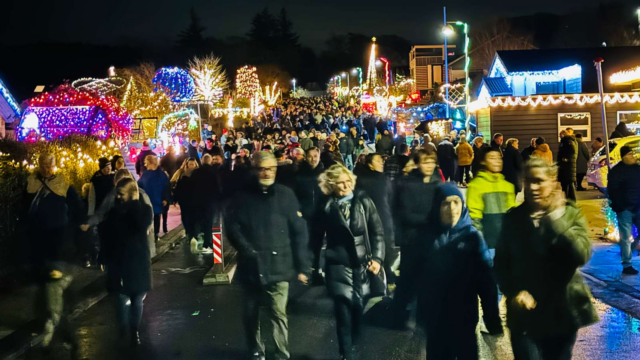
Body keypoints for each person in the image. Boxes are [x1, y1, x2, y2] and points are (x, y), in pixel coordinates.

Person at [495, 157, 599, 360]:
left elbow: (580, 255)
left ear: (552, 182)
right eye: (529, 180)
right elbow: (501, 263)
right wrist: (514, 291)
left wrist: (555, 220)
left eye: (539, 181)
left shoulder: (568, 214)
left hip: (561, 312)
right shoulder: (512, 219)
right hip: (525, 316)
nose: (533, 186)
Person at [225, 151, 310, 360]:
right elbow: (233, 227)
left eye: (271, 168)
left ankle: (282, 353)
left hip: (279, 264)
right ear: (255, 170)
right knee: (251, 313)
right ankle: (256, 349)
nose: (266, 173)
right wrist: (247, 250)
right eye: (262, 168)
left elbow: (299, 231)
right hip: (251, 266)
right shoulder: (241, 197)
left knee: (278, 313)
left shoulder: (285, 195)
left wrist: (303, 265)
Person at [421, 183, 502, 360]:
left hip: (464, 321)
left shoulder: (472, 237)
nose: (452, 209)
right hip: (435, 323)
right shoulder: (426, 236)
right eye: (445, 203)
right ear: (437, 206)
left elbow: (486, 282)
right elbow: (412, 275)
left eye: (456, 202)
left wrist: (491, 317)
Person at [317, 164, 384, 360]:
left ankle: (352, 345)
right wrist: (313, 266)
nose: (346, 186)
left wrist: (378, 259)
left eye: (348, 181)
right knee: (343, 313)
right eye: (340, 183)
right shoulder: (325, 206)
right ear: (331, 185)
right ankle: (346, 354)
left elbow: (377, 232)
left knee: (357, 311)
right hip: (338, 265)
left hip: (362, 266)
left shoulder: (363, 201)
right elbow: (315, 236)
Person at [21, 153, 84, 352]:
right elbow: (24, 210)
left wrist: (76, 232)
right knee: (45, 291)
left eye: (50, 165)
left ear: (55, 166)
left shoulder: (63, 184)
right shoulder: (31, 183)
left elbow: (76, 210)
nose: (47, 169)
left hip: (58, 245)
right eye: (43, 165)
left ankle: (61, 335)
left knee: (53, 291)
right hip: (37, 243)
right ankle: (51, 328)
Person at [99, 178, 153, 346]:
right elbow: (106, 235)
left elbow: (141, 224)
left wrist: (134, 203)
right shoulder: (115, 212)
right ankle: (124, 328)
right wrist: (103, 256)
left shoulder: (143, 210)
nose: (119, 198)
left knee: (137, 297)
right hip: (120, 259)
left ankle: (134, 330)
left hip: (137, 259)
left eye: (121, 194)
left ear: (131, 194)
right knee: (121, 296)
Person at [392, 150, 442, 326]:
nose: (429, 166)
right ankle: (399, 313)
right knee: (407, 277)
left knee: (430, 278)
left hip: (432, 239)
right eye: (425, 162)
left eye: (432, 162)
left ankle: (424, 314)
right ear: (418, 164)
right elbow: (405, 213)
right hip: (411, 239)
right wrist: (431, 219)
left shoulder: (437, 184)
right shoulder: (407, 183)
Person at [355, 154, 397, 285]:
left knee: (380, 245)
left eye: (381, 160)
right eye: (377, 161)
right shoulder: (367, 180)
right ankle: (384, 272)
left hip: (381, 216)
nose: (381, 163)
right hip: (379, 217)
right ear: (370, 165)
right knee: (382, 245)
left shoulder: (382, 179)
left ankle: (382, 272)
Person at [294, 147, 327, 285]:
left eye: (315, 156)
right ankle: (305, 271)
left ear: (319, 156)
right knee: (305, 243)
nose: (313, 159)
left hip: (320, 214)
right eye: (310, 156)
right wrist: (298, 209)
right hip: (305, 215)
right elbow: (295, 194)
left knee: (318, 244)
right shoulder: (300, 174)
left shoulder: (325, 174)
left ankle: (317, 271)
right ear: (306, 157)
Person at [608, 145, 640, 275]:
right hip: (625, 208)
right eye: (629, 154)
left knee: (628, 237)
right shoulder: (617, 171)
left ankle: (629, 252)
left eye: (632, 153)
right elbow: (613, 191)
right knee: (626, 236)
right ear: (623, 156)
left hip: (636, 206)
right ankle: (627, 263)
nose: (632, 156)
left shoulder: (637, 169)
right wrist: (620, 206)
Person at [190, 154, 222, 254]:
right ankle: (207, 244)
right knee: (208, 223)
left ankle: (194, 238)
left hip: (197, 201)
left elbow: (191, 187)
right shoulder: (213, 172)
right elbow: (217, 187)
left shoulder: (195, 172)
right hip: (210, 201)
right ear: (210, 161)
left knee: (198, 221)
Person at [137, 155, 171, 241]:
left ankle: (155, 235)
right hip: (149, 200)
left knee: (155, 217)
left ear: (151, 163)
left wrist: (165, 199)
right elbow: (139, 186)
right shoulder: (146, 174)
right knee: (151, 217)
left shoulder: (160, 175)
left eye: (146, 163)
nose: (145, 165)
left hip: (156, 200)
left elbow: (166, 187)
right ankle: (153, 235)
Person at [171, 158, 199, 251]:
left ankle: (193, 235)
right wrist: (175, 199)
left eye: (193, 164)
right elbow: (178, 188)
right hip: (185, 200)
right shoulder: (182, 174)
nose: (191, 166)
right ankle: (189, 233)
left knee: (194, 217)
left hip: (194, 200)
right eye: (190, 164)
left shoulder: (198, 174)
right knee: (185, 217)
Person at [557, 128, 578, 201]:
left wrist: (566, 158)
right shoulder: (567, 141)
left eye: (560, 135)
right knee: (568, 183)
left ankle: (570, 199)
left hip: (567, 166)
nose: (559, 137)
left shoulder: (567, 141)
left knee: (568, 183)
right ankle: (569, 199)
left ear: (563, 134)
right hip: (567, 166)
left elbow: (572, 150)